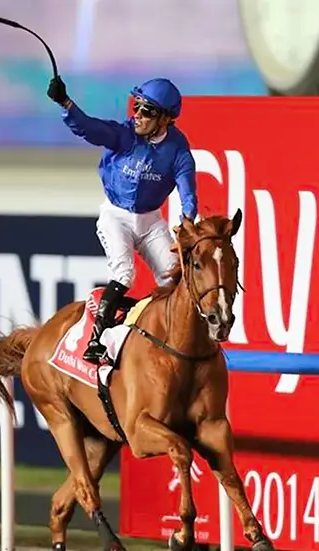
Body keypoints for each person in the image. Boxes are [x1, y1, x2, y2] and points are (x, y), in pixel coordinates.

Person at [47, 75, 199, 364]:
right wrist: (65, 103)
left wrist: (187, 224)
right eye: (137, 107)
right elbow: (89, 128)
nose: (138, 115)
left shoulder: (179, 148)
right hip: (116, 216)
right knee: (124, 274)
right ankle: (96, 340)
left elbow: (188, 192)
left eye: (147, 111)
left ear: (166, 118)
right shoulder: (125, 134)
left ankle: (165, 336)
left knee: (173, 276)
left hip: (151, 221)